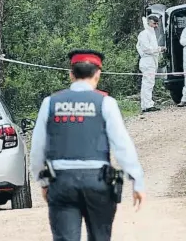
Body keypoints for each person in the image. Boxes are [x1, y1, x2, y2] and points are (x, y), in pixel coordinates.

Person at [30, 49, 146, 241]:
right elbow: (122, 145)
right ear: (98, 74)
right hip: (98, 183)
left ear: (71, 74)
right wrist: (137, 181)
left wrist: (42, 181)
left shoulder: (50, 103)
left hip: (61, 182)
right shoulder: (105, 103)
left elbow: (37, 149)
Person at [136, 14, 166, 113]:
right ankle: (147, 105)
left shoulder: (152, 34)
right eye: (154, 23)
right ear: (149, 22)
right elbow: (146, 49)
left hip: (152, 61)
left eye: (157, 23)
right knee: (147, 83)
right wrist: (159, 49)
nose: (156, 25)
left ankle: (147, 104)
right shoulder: (144, 34)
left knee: (149, 83)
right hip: (147, 61)